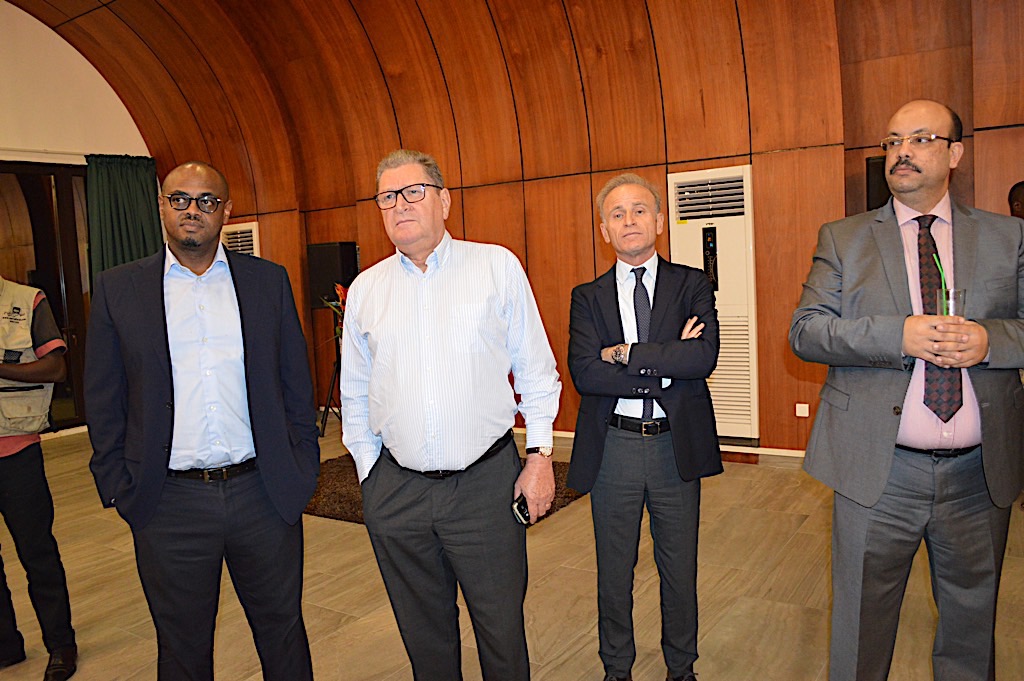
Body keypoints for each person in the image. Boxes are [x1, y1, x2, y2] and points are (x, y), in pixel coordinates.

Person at [790, 100, 1024, 680]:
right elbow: (806, 331)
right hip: (878, 474)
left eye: (921, 139)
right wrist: (898, 335)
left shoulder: (1008, 236)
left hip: (978, 478)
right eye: (893, 141)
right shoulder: (844, 239)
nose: (902, 152)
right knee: (860, 635)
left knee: (971, 634)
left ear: (955, 153)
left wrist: (990, 341)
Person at [84, 161, 319, 680]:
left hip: (263, 494)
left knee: (283, 635)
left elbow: (295, 384)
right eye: (180, 199)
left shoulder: (267, 282)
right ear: (161, 206)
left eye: (206, 200)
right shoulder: (118, 289)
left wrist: (302, 467)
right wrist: (119, 485)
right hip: (168, 503)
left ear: (226, 211)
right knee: (182, 649)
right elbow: (103, 398)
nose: (193, 210)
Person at [340, 149, 562, 681]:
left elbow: (536, 370)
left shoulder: (495, 267)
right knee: (425, 640)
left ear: (444, 201)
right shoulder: (367, 289)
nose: (400, 205)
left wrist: (539, 457)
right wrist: (371, 475)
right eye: (387, 197)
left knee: (501, 633)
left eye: (413, 191)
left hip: (484, 488)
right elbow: (355, 391)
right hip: (398, 491)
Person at [567, 174, 721, 681]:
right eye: (617, 214)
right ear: (604, 230)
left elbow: (703, 358)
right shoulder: (587, 297)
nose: (629, 220)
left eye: (639, 210)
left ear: (658, 221)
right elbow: (586, 374)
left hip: (675, 448)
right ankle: (617, 669)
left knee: (680, 570)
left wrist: (624, 354)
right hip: (614, 447)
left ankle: (682, 668)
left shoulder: (692, 283)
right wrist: (665, 365)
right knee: (614, 573)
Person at [0, 277, 77, 681]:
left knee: (37, 554)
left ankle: (61, 645)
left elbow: (56, 367)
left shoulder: (26, 300)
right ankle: (6, 647)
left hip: (17, 452)